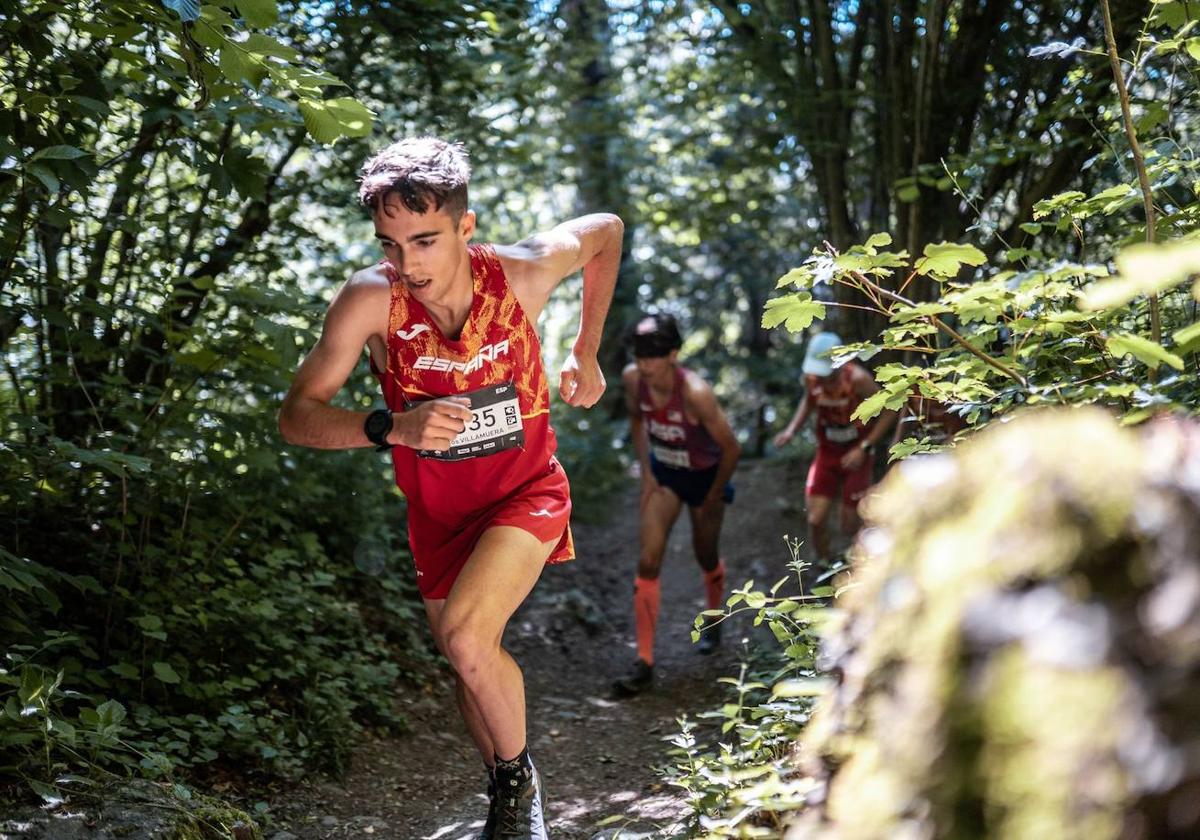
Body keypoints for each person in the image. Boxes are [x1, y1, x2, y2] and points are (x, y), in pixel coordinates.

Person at [278, 137, 622, 840]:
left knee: (467, 638)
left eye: (427, 240)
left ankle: (520, 796)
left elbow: (607, 230)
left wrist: (587, 346)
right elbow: (297, 417)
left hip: (525, 492)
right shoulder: (371, 301)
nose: (409, 264)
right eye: (392, 243)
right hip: (438, 514)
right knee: (469, 664)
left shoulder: (522, 274)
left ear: (467, 227)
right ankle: (506, 784)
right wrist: (392, 427)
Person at [611, 314, 741, 697]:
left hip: (705, 479)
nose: (645, 363)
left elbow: (732, 448)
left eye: (653, 355)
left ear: (672, 354)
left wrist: (715, 493)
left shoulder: (696, 393)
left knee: (705, 555)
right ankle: (644, 662)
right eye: (639, 354)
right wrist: (647, 472)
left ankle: (715, 617)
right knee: (648, 560)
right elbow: (637, 420)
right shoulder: (634, 380)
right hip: (664, 473)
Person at [772, 331, 896, 575]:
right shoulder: (812, 379)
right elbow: (809, 401)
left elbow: (890, 409)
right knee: (815, 519)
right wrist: (791, 430)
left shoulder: (858, 379)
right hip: (827, 451)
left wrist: (866, 447)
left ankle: (860, 568)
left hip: (857, 452)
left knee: (850, 523)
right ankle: (824, 565)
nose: (822, 378)